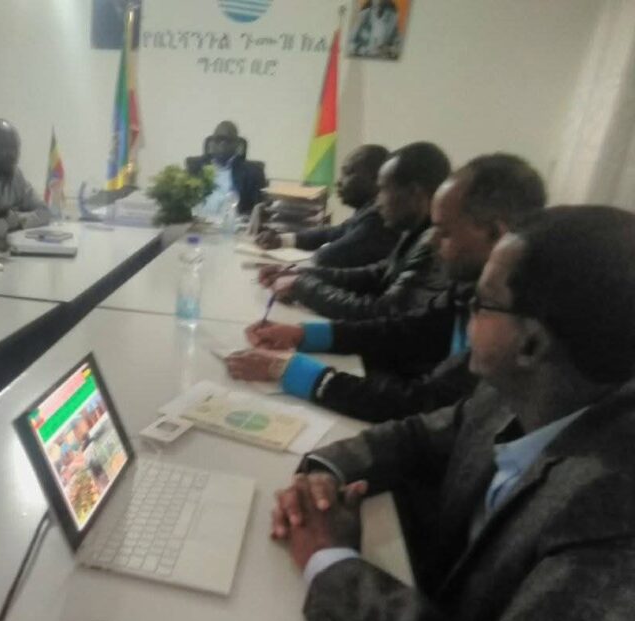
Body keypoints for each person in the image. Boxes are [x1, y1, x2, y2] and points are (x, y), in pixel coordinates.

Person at [274, 206, 635, 621]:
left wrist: (331, 561)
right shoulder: (511, 393)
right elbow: (416, 437)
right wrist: (326, 476)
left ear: (531, 345)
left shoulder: (616, 502)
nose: (465, 311)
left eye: (481, 303)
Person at [228, 155, 546, 422]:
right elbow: (407, 330)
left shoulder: (515, 322)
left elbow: (426, 403)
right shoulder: (472, 290)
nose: (434, 242)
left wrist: (299, 373)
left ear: (495, 233)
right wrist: (304, 335)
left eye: (445, 232)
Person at [272, 141, 451, 321]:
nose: (378, 202)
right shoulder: (415, 231)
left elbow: (380, 314)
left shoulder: (434, 245)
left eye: (383, 190)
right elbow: (377, 275)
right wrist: (302, 275)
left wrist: (303, 288)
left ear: (414, 193)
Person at [255, 144, 398, 269]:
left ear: (376, 178)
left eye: (348, 173)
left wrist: (323, 249)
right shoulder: (365, 212)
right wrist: (282, 239)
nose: (338, 182)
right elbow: (332, 233)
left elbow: (326, 258)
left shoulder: (377, 219)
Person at [185, 121, 267, 215]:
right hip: (199, 220)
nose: (222, 144)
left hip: (233, 222)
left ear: (237, 145)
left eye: (228, 140)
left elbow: (258, 210)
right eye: (218, 139)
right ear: (211, 143)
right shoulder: (195, 167)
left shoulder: (253, 173)